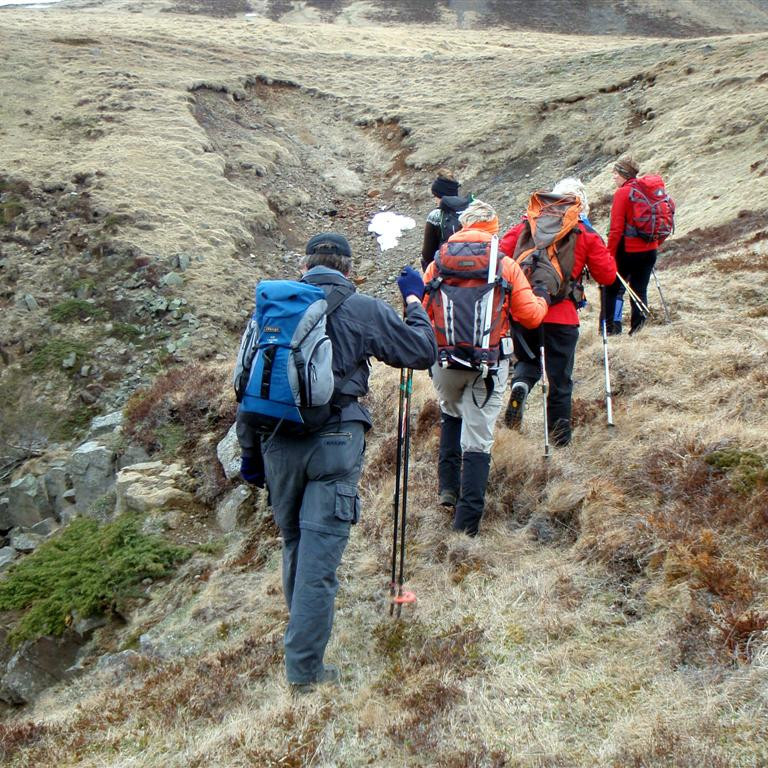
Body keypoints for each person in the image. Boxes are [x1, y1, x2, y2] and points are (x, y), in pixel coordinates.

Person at [237, 233, 436, 692]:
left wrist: (249, 453)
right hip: (335, 441)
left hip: (276, 443)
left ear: (305, 266)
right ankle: (305, 672)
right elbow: (422, 351)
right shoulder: (363, 308)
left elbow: (244, 386)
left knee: (294, 544)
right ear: (348, 270)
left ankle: (300, 645)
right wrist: (414, 299)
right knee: (318, 562)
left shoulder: (274, 310)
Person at [422, 200, 548, 536]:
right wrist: (543, 298)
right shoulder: (504, 265)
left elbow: (422, 311)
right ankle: (466, 528)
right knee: (477, 439)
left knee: (450, 413)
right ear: (493, 228)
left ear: (462, 227)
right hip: (488, 365)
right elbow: (530, 316)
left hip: (445, 361)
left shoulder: (438, 263)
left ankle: (448, 488)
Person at [500, 178, 617, 446]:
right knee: (560, 379)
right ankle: (559, 441)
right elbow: (608, 276)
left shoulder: (525, 227)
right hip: (562, 316)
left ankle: (521, 385)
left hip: (526, 310)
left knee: (528, 363)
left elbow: (500, 260)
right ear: (579, 205)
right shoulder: (583, 233)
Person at [602, 155, 660, 335]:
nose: (613, 176)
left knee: (612, 290)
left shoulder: (623, 193)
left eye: (616, 173)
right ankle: (638, 330)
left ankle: (612, 329)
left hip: (627, 251)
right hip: (650, 249)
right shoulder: (647, 191)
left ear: (624, 174)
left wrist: (608, 255)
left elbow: (616, 229)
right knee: (639, 289)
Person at [420, 168, 473, 271]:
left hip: (448, 274)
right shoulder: (472, 210)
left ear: (439, 196)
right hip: (477, 269)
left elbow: (427, 255)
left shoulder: (435, 215)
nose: (435, 200)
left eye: (435, 196)